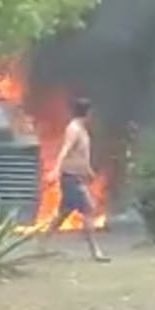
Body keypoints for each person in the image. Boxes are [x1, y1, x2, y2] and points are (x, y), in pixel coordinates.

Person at [47, 97, 110, 261]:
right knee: (89, 208)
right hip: (70, 178)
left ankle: (41, 244)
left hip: (77, 177)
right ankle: (95, 251)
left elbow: (80, 155)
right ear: (88, 113)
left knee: (63, 214)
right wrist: (55, 170)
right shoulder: (74, 129)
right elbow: (65, 150)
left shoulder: (82, 130)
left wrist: (88, 171)